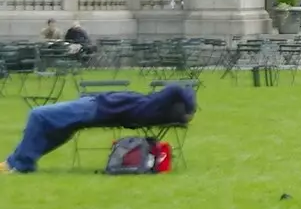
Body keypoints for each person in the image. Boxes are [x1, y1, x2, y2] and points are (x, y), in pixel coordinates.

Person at [4, 83, 196, 174]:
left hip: (96, 107)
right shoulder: (153, 110)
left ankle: (20, 163)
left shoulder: (154, 104)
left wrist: (190, 108)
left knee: (38, 115)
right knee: (57, 129)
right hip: (97, 109)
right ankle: (18, 162)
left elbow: (177, 88)